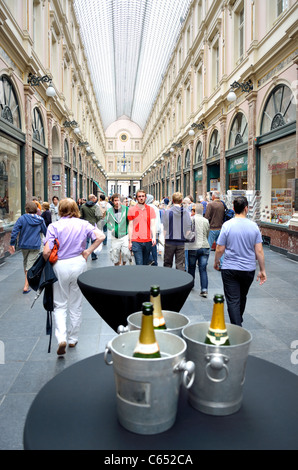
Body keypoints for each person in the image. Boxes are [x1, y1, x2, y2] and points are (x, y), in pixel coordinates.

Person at [43, 198, 105, 355]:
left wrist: (46, 262)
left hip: (60, 265)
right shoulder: (83, 224)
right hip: (78, 262)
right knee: (76, 302)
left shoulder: (54, 226)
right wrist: (88, 251)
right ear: (76, 209)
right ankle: (73, 338)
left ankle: (61, 337)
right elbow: (101, 236)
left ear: (60, 210)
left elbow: (46, 252)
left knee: (60, 303)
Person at [214, 196, 267, 326]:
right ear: (246, 208)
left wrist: (216, 261)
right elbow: (259, 251)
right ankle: (238, 321)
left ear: (233, 209)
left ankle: (237, 325)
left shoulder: (227, 225)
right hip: (248, 269)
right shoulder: (254, 226)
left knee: (233, 300)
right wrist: (262, 269)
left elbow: (220, 248)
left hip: (230, 268)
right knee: (242, 297)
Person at [9, 201, 47, 293]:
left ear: (26, 209)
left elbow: (15, 231)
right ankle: (27, 284)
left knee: (26, 263)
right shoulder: (40, 219)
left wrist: (12, 243)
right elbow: (46, 232)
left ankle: (26, 283)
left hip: (24, 245)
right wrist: (47, 243)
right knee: (29, 264)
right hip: (35, 245)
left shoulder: (22, 218)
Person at [163, 192, 192, 271]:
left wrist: (165, 239)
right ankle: (180, 282)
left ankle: (168, 282)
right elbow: (188, 228)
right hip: (181, 242)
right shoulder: (186, 212)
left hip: (169, 241)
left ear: (172, 200)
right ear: (181, 201)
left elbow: (165, 227)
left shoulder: (168, 212)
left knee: (167, 264)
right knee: (180, 265)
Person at [186, 204, 210, 297]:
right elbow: (207, 232)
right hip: (204, 246)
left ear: (194, 211)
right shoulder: (206, 221)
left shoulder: (191, 219)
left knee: (191, 267)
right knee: (203, 269)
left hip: (193, 246)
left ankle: (191, 285)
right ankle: (204, 289)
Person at [127, 189, 156, 265]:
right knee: (139, 263)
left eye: (143, 196)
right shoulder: (131, 210)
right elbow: (130, 226)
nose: (141, 198)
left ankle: (144, 276)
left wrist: (154, 237)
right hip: (136, 241)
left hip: (148, 240)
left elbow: (153, 225)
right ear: (136, 198)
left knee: (146, 263)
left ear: (145, 197)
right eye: (139, 196)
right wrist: (130, 241)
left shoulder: (151, 210)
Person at [105, 193, 131, 266]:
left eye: (118, 200)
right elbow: (106, 222)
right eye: (115, 200)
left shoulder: (126, 209)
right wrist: (111, 228)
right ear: (113, 201)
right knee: (115, 254)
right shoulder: (109, 211)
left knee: (125, 253)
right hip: (115, 236)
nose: (117, 202)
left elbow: (130, 222)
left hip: (124, 234)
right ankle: (116, 268)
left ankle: (123, 266)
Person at [80, 194, 102, 260]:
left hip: (85, 225)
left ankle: (84, 254)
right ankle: (93, 256)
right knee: (94, 241)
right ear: (93, 199)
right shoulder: (96, 207)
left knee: (86, 241)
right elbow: (98, 217)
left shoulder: (83, 206)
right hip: (93, 225)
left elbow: (80, 216)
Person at [146, 194, 161, 266]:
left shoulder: (147, 207)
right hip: (156, 229)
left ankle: (150, 259)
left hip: (149, 230)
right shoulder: (156, 208)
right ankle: (155, 261)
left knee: (147, 246)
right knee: (154, 247)